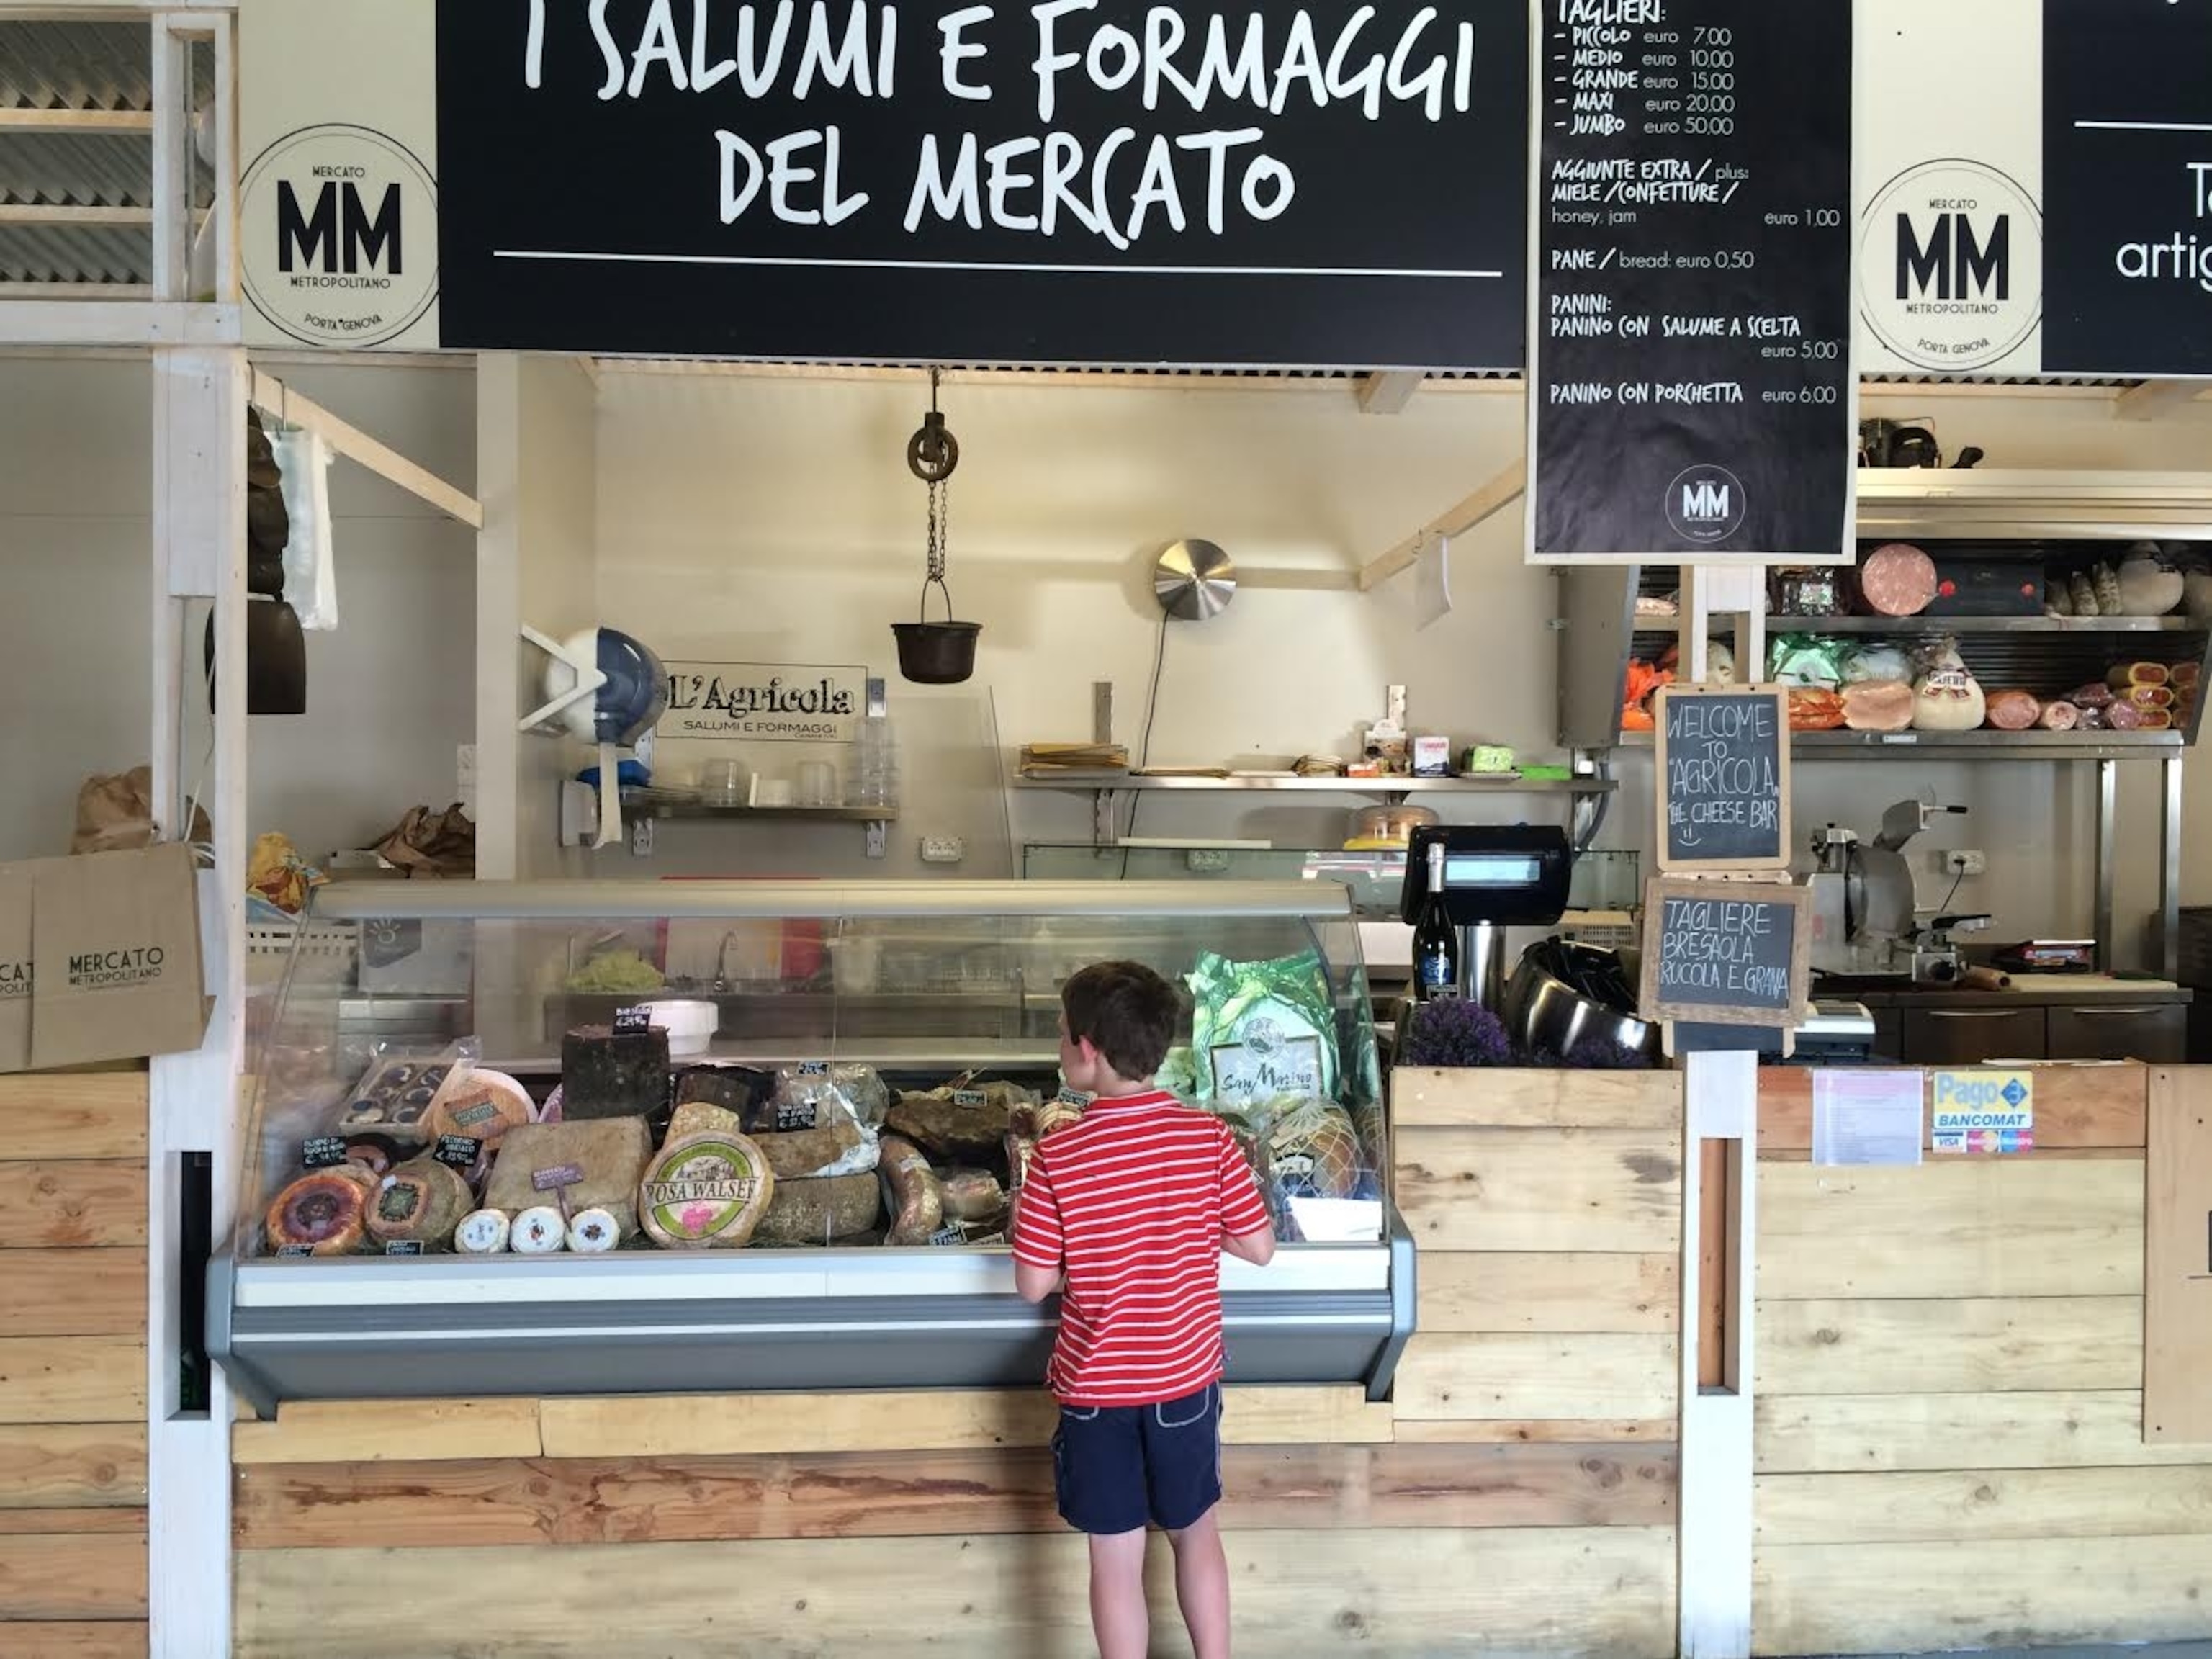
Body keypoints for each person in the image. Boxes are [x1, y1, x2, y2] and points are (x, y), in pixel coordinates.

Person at [1012, 960, 1277, 1659]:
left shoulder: (1055, 1157)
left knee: (1115, 1560)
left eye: (1065, 1036)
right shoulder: (1209, 1140)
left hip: (1098, 1392)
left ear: (1090, 1050)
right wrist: (1190, 1227)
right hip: (1185, 1384)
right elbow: (1259, 1247)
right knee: (1198, 1534)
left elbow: (1034, 1285)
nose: (1062, 1047)